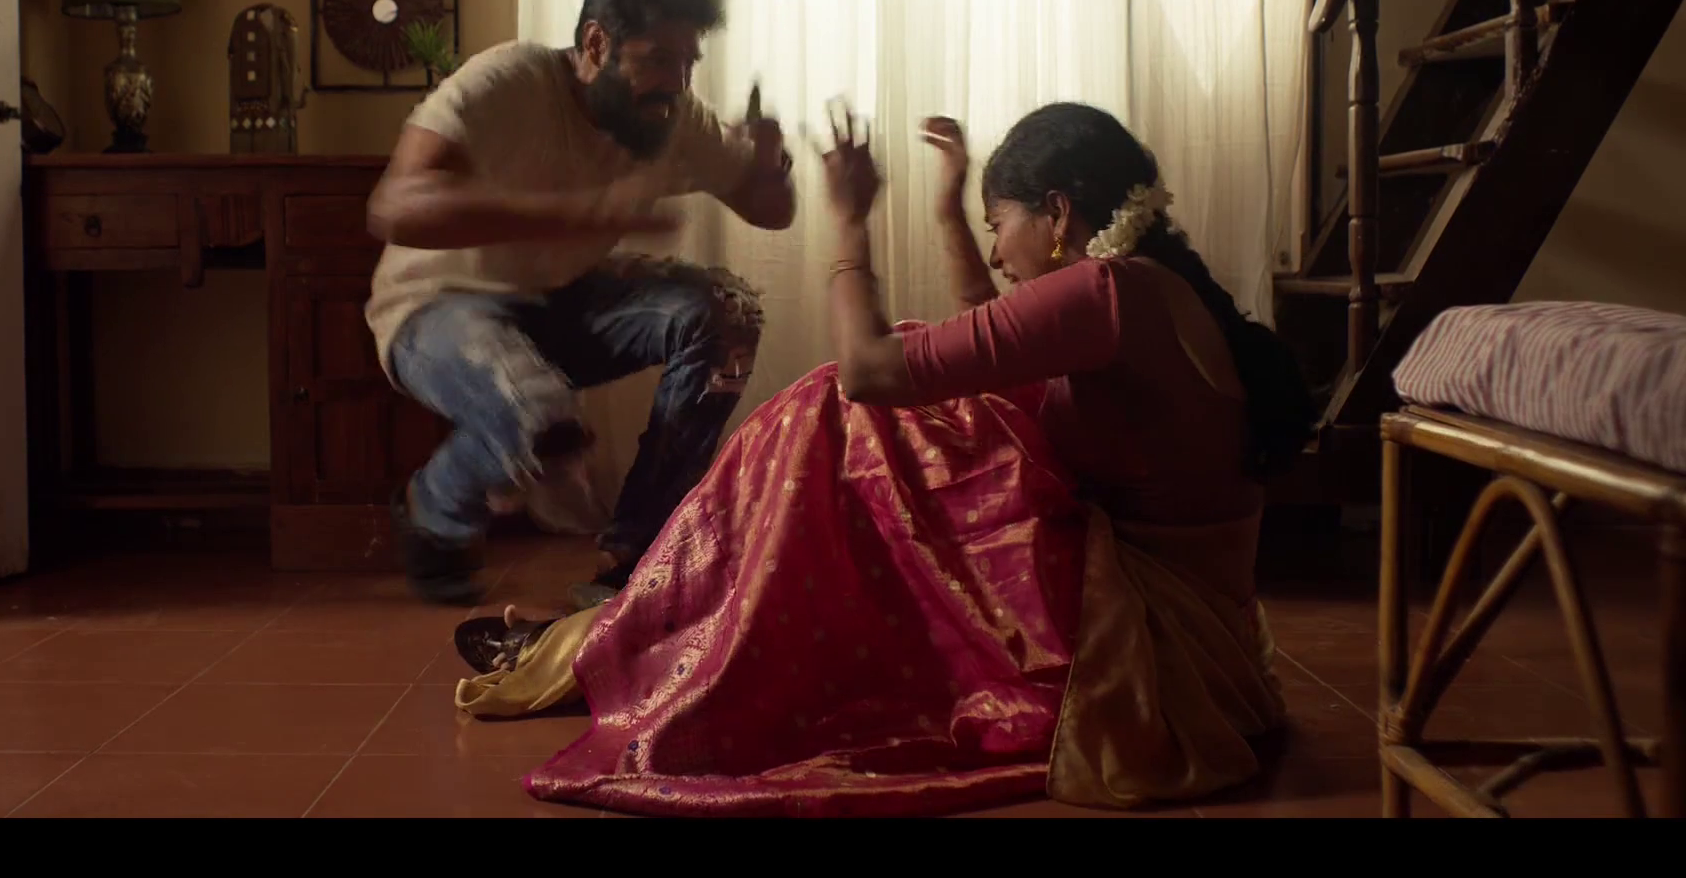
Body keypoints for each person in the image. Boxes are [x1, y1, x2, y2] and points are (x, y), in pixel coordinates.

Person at [449, 99, 1321, 818]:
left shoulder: (1105, 292)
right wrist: (946, 211)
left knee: (841, 414)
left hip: (1145, 647)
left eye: (999, 226)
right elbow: (997, 345)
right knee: (904, 430)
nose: (996, 252)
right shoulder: (1145, 285)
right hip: (1198, 633)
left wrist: (849, 223)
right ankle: (636, 633)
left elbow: (872, 373)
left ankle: (628, 642)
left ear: (1058, 213)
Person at [365, 0, 797, 606]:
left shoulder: (673, 115)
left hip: (563, 304)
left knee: (729, 317)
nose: (678, 84)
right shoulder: (508, 80)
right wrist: (573, 213)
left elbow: (771, 211)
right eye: (659, 59)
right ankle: (436, 506)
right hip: (437, 308)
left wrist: (772, 165)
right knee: (538, 411)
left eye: (689, 62)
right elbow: (394, 208)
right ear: (597, 43)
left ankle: (637, 556)